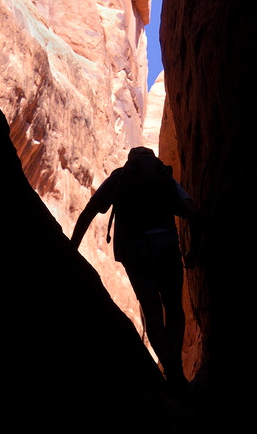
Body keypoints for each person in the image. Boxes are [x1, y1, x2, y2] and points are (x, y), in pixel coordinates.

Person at [70, 146, 200, 388]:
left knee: (152, 311)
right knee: (173, 308)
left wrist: (71, 248)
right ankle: (177, 371)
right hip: (166, 247)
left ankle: (169, 368)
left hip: (135, 251)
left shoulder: (121, 177)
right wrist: (195, 248)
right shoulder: (165, 177)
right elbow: (192, 211)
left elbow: (90, 209)